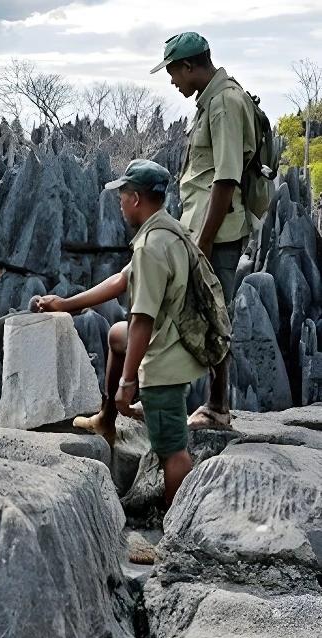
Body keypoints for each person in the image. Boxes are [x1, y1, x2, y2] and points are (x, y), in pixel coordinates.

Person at [32, 160, 207, 508]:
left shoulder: (151, 247)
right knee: (115, 334)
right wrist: (67, 303)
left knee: (173, 451)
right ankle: (106, 421)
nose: (119, 202)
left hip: (166, 354)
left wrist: (129, 382)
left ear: (138, 199)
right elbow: (121, 281)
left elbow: (142, 319)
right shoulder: (168, 229)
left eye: (123, 195)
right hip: (172, 333)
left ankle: (174, 536)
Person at [154, 31, 257, 430]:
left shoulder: (225, 103)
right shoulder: (210, 101)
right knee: (195, 311)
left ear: (191, 65)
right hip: (200, 229)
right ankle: (194, 400)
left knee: (214, 315)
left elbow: (226, 178)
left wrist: (204, 242)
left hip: (216, 233)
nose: (172, 80)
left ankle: (217, 406)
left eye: (173, 72)